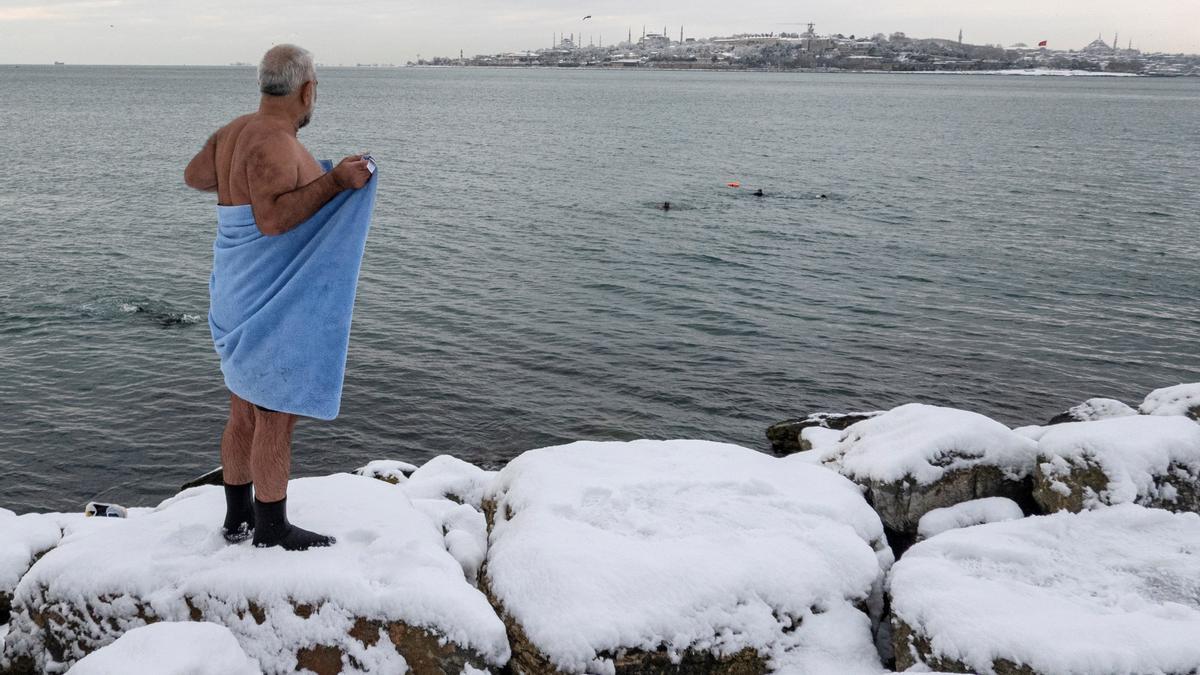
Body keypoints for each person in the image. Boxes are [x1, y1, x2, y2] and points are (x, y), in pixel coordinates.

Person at [183, 45, 373, 550]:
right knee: (275, 414)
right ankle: (272, 528)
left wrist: (236, 176)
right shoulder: (274, 141)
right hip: (262, 297)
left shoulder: (234, 132)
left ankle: (236, 519)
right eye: (316, 92)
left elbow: (196, 176)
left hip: (233, 285)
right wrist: (333, 181)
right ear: (306, 90)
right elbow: (271, 222)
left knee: (242, 408)